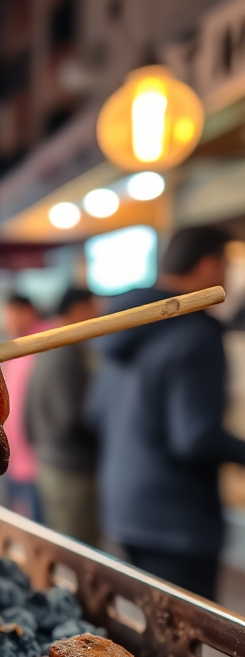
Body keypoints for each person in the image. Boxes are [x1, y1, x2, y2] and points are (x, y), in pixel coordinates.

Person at [87, 226, 240, 600]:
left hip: (125, 507)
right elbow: (195, 437)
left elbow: (93, 413)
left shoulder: (126, 323)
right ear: (209, 265)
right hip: (178, 518)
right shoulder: (197, 332)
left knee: (151, 632)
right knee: (185, 643)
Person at [26, 287, 101, 545]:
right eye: (94, 308)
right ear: (79, 310)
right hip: (71, 468)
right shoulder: (65, 349)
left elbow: (30, 408)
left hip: (51, 461)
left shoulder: (49, 342)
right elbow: (70, 418)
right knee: (79, 548)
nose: (98, 314)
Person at [0, 293, 46, 522]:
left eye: (12, 314)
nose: (7, 321)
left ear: (28, 311)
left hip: (37, 461)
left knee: (40, 528)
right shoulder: (14, 347)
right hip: (14, 456)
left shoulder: (44, 342)